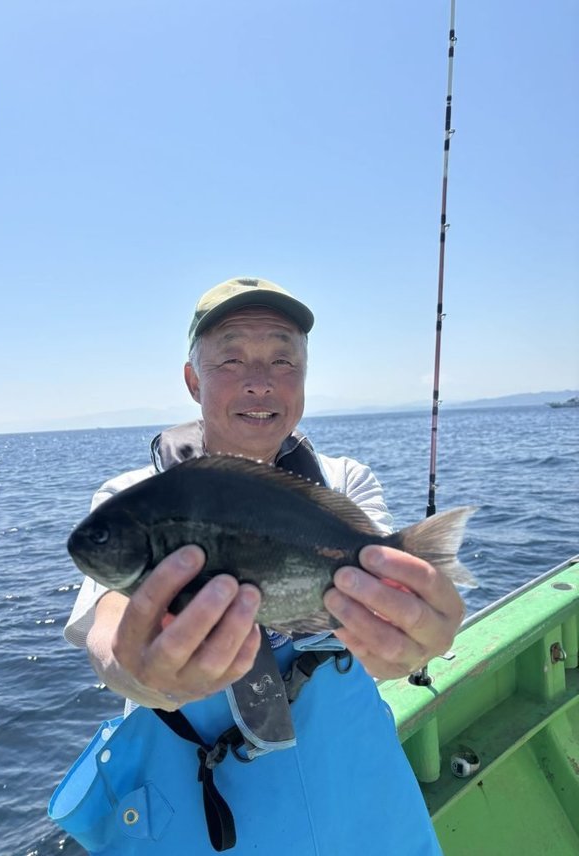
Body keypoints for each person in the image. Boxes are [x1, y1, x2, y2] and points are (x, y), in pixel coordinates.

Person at [50, 277, 465, 855]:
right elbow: (111, 624)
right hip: (212, 816)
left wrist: (413, 635)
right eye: (231, 359)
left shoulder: (346, 483)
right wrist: (136, 668)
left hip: (367, 800)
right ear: (193, 380)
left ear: (304, 376)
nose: (260, 381)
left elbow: (389, 602)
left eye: (282, 359)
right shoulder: (133, 496)